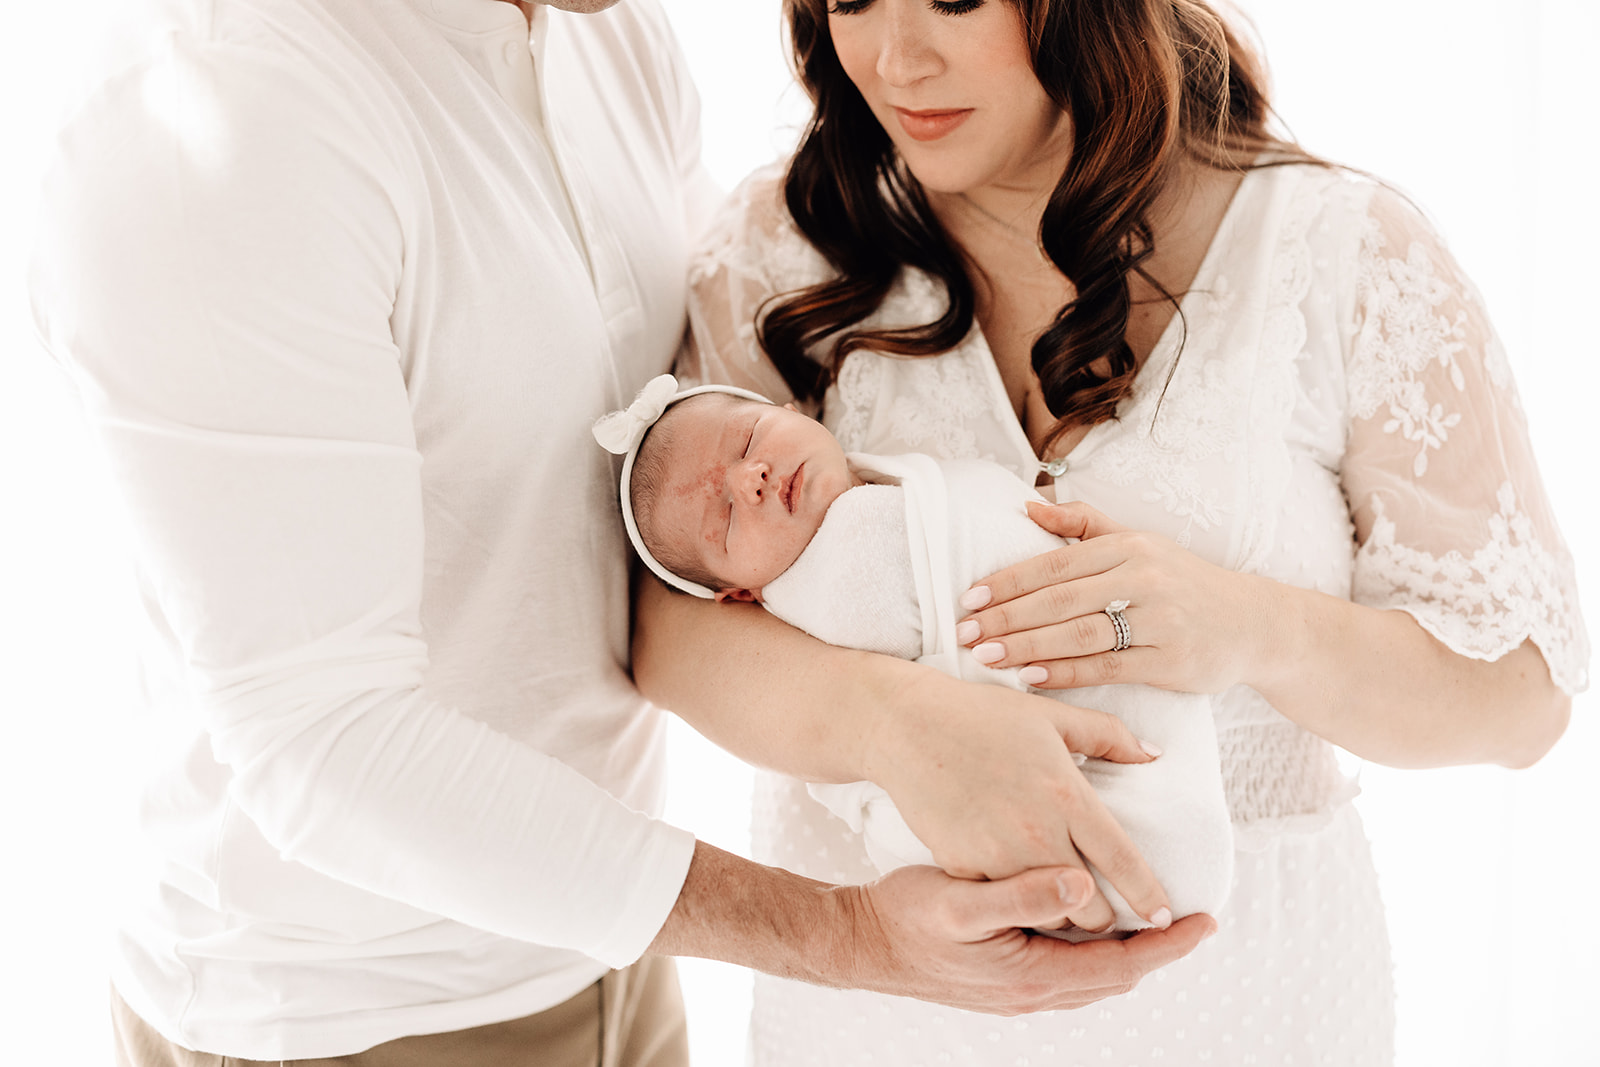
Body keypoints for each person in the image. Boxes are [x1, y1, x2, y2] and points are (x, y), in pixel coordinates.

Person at [27, 0, 1216, 1064]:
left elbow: (677, 490)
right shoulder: (222, 115)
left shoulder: (608, 36)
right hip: (350, 1009)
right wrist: (846, 929)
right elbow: (321, 737)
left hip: (615, 940)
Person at [634, 0, 1589, 1063]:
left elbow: (1522, 691)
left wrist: (1251, 628)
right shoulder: (777, 256)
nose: (895, 59)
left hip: (1249, 1011)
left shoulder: (1337, 250)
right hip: (883, 1016)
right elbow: (662, 623)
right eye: (851, 0)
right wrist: (890, 724)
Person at [596, 376, 1234, 933]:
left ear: (794, 408)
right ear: (739, 594)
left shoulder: (891, 481)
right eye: (725, 520)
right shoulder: (828, 582)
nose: (750, 478)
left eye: (750, 437)